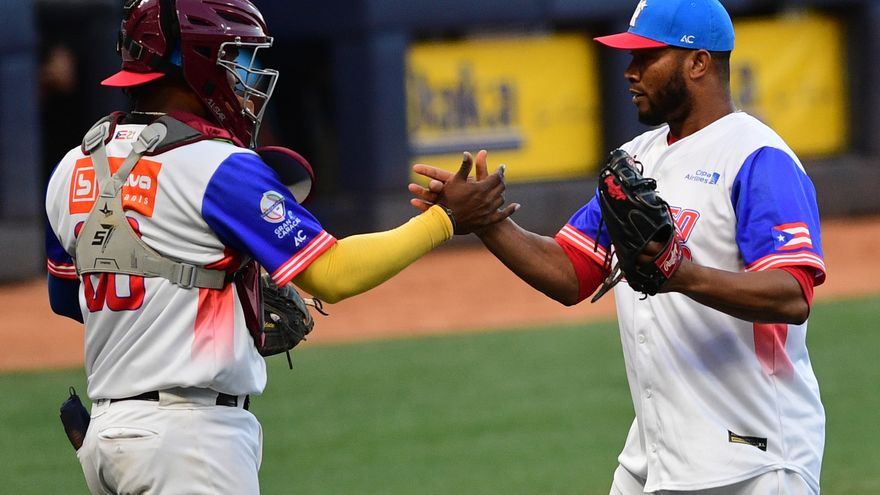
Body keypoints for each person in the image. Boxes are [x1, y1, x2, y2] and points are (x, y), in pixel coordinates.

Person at [44, 0, 513, 493]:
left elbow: (68, 299)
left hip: (106, 439)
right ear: (195, 62)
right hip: (190, 445)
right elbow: (333, 274)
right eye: (237, 56)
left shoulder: (72, 167)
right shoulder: (216, 166)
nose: (249, 73)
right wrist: (446, 219)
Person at [410, 0, 826, 493]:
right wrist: (486, 222)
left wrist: (682, 274)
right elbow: (571, 274)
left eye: (647, 57)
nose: (630, 71)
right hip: (655, 456)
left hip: (753, 456)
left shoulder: (757, 157)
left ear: (698, 62)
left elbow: (792, 295)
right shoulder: (635, 160)